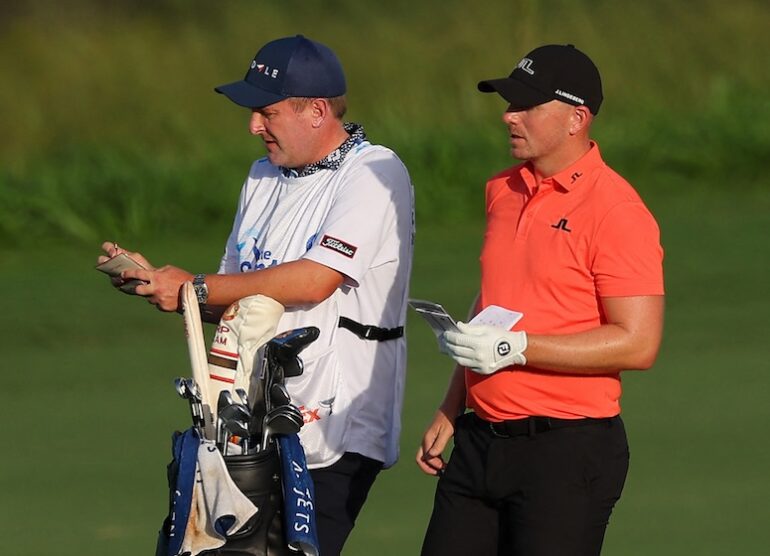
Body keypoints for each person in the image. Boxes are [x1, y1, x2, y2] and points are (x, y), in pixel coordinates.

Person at [98, 35, 414, 556]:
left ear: (316, 111)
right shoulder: (262, 175)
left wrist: (195, 289)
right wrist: (168, 289)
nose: (253, 126)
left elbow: (316, 280)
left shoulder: (375, 173)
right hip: (244, 419)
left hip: (333, 427)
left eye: (266, 112)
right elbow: (241, 302)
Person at [417, 44, 665, 556]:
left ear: (577, 118)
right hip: (480, 441)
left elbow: (638, 344)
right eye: (509, 103)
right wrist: (452, 403)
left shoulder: (617, 210)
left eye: (527, 105)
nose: (510, 116)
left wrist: (515, 349)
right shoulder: (502, 190)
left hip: (567, 453)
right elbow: (496, 300)